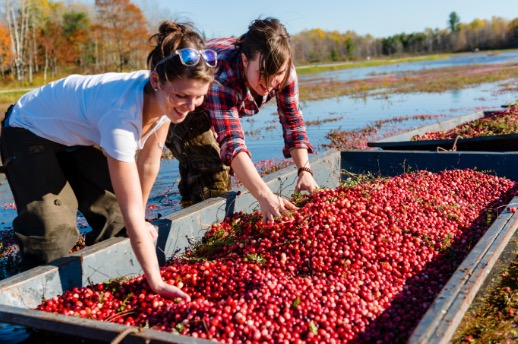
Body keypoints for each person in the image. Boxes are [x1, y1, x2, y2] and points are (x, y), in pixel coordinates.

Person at [0, 21, 217, 301]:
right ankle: (25, 294)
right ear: (156, 82)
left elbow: (149, 165)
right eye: (182, 97)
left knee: (117, 217)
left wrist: (138, 219)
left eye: (199, 97)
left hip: (73, 137)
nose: (190, 107)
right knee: (52, 236)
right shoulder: (122, 117)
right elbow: (132, 200)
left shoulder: (167, 92)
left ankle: (99, 283)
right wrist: (155, 279)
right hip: (28, 128)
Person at [166, 18, 318, 222]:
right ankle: (206, 224)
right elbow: (232, 142)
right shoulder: (223, 77)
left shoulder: (285, 72)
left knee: (203, 163)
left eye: (278, 74)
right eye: (263, 74)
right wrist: (264, 195)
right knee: (214, 171)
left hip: (209, 100)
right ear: (245, 61)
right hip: (180, 104)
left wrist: (304, 170)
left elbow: (292, 121)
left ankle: (187, 199)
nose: (271, 83)